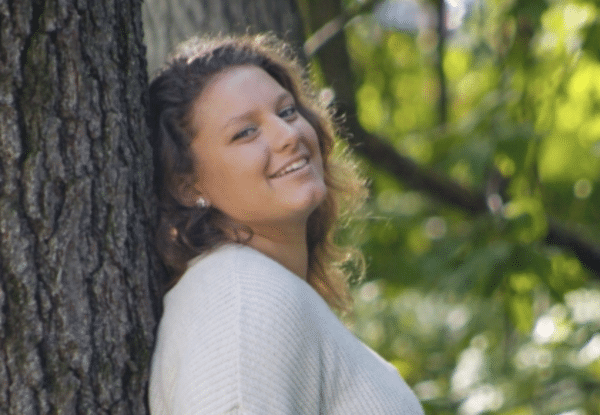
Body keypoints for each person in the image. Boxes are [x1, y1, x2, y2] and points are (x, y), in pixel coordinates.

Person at [147, 34, 424, 415]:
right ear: (188, 183)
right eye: (245, 132)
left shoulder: (256, 288)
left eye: (287, 112)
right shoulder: (243, 299)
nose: (288, 135)